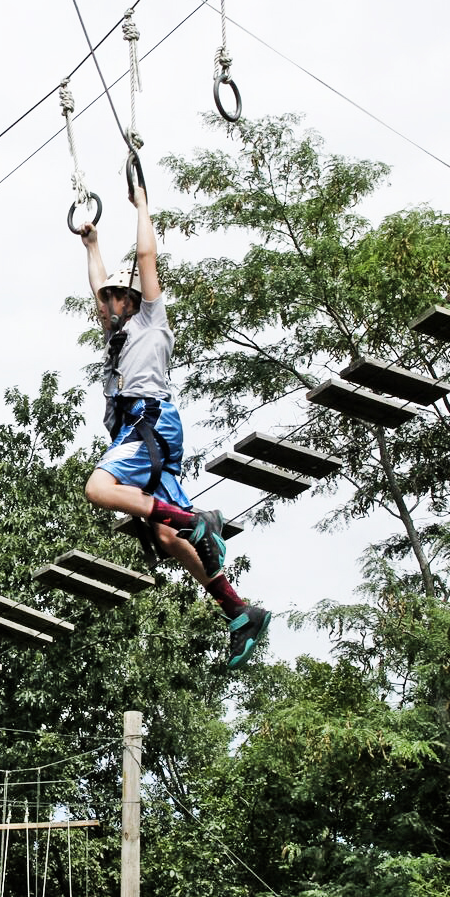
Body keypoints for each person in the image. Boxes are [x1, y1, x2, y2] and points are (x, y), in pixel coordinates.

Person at [80, 181, 271, 668]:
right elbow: (96, 286)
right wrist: (92, 245)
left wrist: (143, 206)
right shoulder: (119, 336)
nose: (106, 307)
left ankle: (196, 521)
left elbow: (147, 257)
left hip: (150, 424)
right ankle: (238, 609)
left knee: (98, 488)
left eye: (114, 299)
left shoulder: (150, 320)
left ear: (130, 298)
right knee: (166, 537)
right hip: (146, 432)